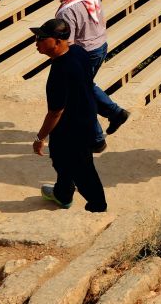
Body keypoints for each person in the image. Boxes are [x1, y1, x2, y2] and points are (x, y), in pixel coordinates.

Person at [31, 16, 106, 212]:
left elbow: (55, 112)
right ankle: (63, 194)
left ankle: (99, 208)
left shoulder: (60, 71)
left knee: (83, 171)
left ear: (57, 41)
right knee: (61, 161)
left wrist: (40, 138)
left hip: (72, 131)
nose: (36, 42)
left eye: (41, 38)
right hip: (85, 119)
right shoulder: (79, 52)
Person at [51, 0, 129, 143]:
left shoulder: (67, 11)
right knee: (85, 87)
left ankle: (96, 137)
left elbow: (68, 41)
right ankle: (115, 114)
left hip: (84, 53)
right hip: (100, 46)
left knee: (80, 94)